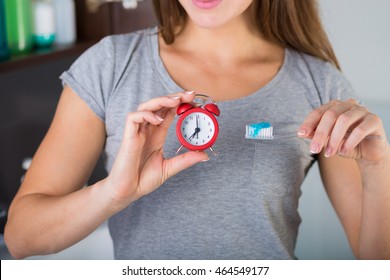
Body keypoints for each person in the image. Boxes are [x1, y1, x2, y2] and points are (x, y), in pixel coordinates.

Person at [4, 0, 390, 260]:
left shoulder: (321, 84)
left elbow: (376, 259)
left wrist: (378, 168)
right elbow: (21, 237)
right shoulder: (110, 64)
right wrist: (112, 194)